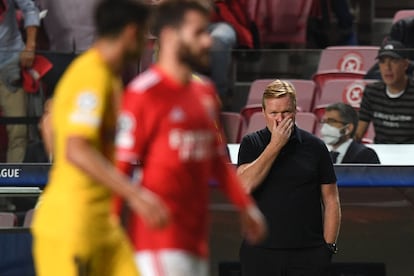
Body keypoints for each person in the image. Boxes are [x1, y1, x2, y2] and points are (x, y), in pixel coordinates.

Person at [114, 1, 266, 275]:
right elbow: (121, 169)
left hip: (196, 238)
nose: (208, 41)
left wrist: (246, 208)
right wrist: (110, 230)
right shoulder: (142, 94)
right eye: (198, 33)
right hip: (157, 240)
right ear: (170, 36)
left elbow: (218, 161)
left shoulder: (206, 94)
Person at [31, 1, 169, 276]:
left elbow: (54, 128)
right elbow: (76, 148)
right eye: (144, 34)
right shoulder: (91, 76)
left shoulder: (108, 77)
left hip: (102, 224)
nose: (146, 42)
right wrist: (135, 195)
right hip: (71, 226)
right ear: (131, 32)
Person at [237, 79, 341, 276]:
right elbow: (243, 187)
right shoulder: (251, 144)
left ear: (295, 111)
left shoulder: (315, 147)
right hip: (260, 253)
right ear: (263, 112)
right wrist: (275, 145)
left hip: (309, 254)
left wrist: (328, 247)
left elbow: (331, 200)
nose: (279, 119)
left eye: (285, 112)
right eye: (273, 113)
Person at [0, 0, 40, 162]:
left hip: (10, 62)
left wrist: (30, 47)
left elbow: (30, 9)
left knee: (19, 130)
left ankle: (14, 182)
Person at [355, 40, 414, 144]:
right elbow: (358, 133)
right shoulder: (371, 91)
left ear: (405, 64)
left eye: (393, 61)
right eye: (382, 62)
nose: (387, 67)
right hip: (380, 153)